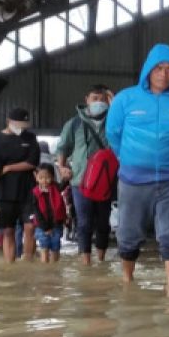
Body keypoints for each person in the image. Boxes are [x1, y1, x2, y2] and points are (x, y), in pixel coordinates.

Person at [107, 44, 169, 287]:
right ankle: (127, 280)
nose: (164, 74)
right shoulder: (125, 99)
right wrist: (129, 159)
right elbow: (113, 134)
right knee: (128, 234)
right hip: (133, 181)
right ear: (148, 69)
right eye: (159, 68)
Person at [56, 83, 114, 265]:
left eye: (103, 99)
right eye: (95, 98)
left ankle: (101, 259)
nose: (99, 102)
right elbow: (63, 148)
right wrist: (61, 167)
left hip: (106, 181)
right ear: (86, 100)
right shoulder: (74, 124)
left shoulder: (115, 121)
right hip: (80, 181)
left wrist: (115, 104)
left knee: (103, 223)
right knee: (84, 222)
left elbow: (128, 131)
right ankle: (86, 262)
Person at [0, 107, 41, 263]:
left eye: (25, 125)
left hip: (28, 190)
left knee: (30, 227)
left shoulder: (30, 138)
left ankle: (27, 261)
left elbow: (32, 162)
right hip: (5, 192)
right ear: (9, 122)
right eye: (19, 124)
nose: (22, 128)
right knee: (8, 231)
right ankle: (10, 265)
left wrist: (9, 167)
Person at [28, 164, 66, 263]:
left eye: (48, 178)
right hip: (41, 226)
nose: (44, 181)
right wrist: (45, 228)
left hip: (56, 225)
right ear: (36, 177)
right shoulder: (35, 192)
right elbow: (37, 212)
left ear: (52, 177)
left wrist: (66, 178)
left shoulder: (56, 187)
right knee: (44, 248)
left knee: (56, 247)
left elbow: (63, 185)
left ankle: (54, 270)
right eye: (41, 178)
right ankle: (45, 271)